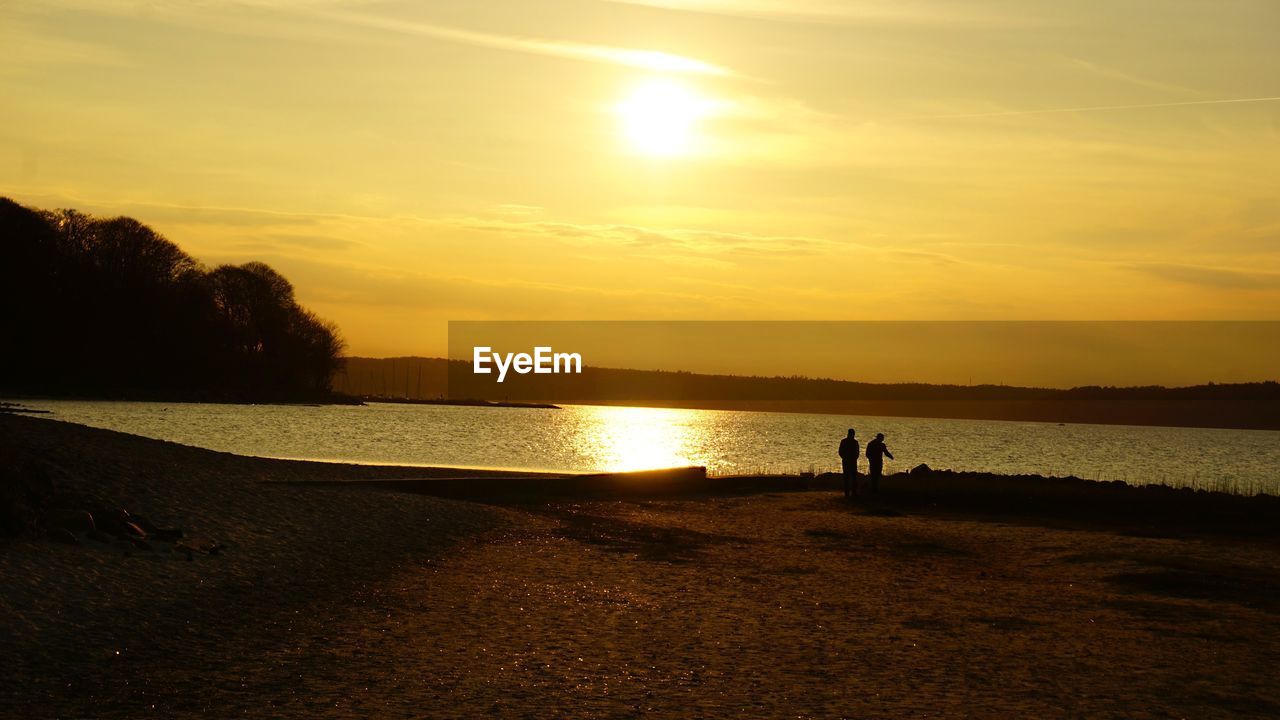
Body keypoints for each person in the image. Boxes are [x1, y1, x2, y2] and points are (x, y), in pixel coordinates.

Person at [837, 429, 860, 499]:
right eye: (852, 434)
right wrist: (845, 457)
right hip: (848, 461)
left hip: (850, 461)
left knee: (851, 478)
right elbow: (840, 451)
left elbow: (857, 452)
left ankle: (851, 493)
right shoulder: (847, 442)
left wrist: (854, 458)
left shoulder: (852, 442)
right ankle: (849, 493)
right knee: (849, 478)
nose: (853, 435)